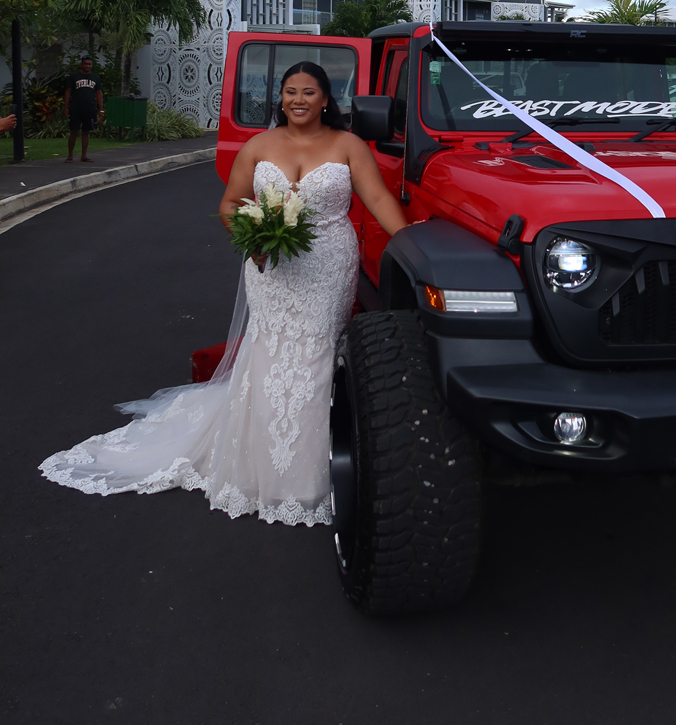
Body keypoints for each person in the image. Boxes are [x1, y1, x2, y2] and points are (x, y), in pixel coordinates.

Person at [40, 61, 409, 527]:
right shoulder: (258, 145)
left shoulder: (348, 145)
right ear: (280, 97)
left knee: (316, 351)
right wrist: (251, 238)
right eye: (290, 91)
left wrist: (410, 245)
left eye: (309, 92)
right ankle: (261, 466)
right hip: (269, 266)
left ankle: (315, 469)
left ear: (325, 99)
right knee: (270, 350)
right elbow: (230, 203)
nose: (298, 100)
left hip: (327, 265)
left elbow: (377, 199)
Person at [64, 54, 104, 162]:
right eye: (85, 64)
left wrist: (101, 109)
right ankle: (70, 156)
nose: (87, 66)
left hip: (90, 108)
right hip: (76, 108)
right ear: (81, 64)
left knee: (86, 132)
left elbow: (98, 93)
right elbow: (68, 91)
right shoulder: (74, 76)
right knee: (74, 131)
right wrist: (66, 107)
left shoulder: (95, 77)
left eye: (89, 64)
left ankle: (84, 156)